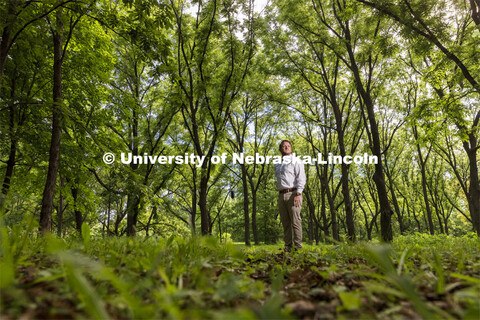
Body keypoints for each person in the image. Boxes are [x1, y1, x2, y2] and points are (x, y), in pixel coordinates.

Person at [274, 140, 306, 252]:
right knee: (285, 222)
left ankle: (298, 248)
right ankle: (288, 247)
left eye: (288, 146)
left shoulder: (296, 161)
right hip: (281, 195)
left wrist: (298, 193)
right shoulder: (277, 164)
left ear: (291, 148)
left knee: (295, 221)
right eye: (284, 146)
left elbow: (301, 177)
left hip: (294, 194)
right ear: (280, 149)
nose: (287, 148)